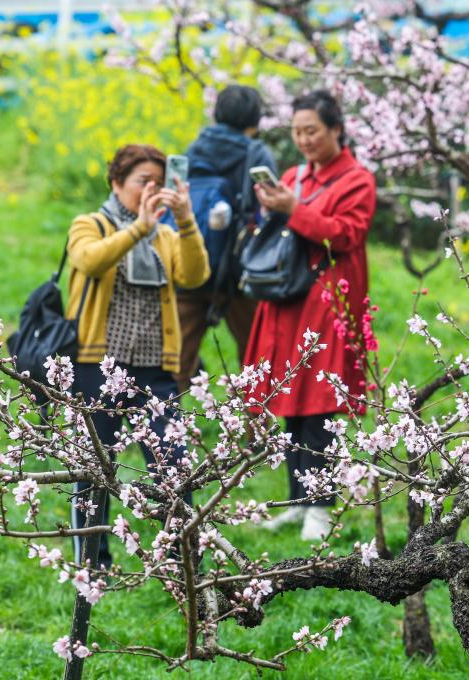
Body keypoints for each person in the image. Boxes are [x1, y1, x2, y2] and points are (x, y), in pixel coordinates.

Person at [66, 143, 210, 568]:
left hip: (157, 371)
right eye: (141, 182)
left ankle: (183, 566)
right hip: (96, 364)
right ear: (116, 183)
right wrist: (137, 228)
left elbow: (196, 274)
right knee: (94, 469)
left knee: (176, 466)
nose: (151, 189)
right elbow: (89, 261)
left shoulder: (167, 235)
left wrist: (183, 219)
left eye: (158, 183)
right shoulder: (89, 223)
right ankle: (91, 565)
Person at [245, 90, 377, 541]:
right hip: (287, 299)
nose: (304, 140)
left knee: (319, 403)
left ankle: (322, 507)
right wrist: (271, 211)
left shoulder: (357, 180)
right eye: (297, 132)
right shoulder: (293, 175)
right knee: (289, 399)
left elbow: (346, 234)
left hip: (328, 303)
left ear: (336, 130)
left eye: (312, 132)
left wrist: (293, 210)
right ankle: (300, 502)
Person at [172, 84, 278, 392]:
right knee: (255, 359)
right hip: (240, 273)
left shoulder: (193, 149)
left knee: (175, 360)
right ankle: (255, 435)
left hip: (191, 265)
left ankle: (162, 432)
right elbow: (271, 208)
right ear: (255, 121)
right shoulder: (257, 153)